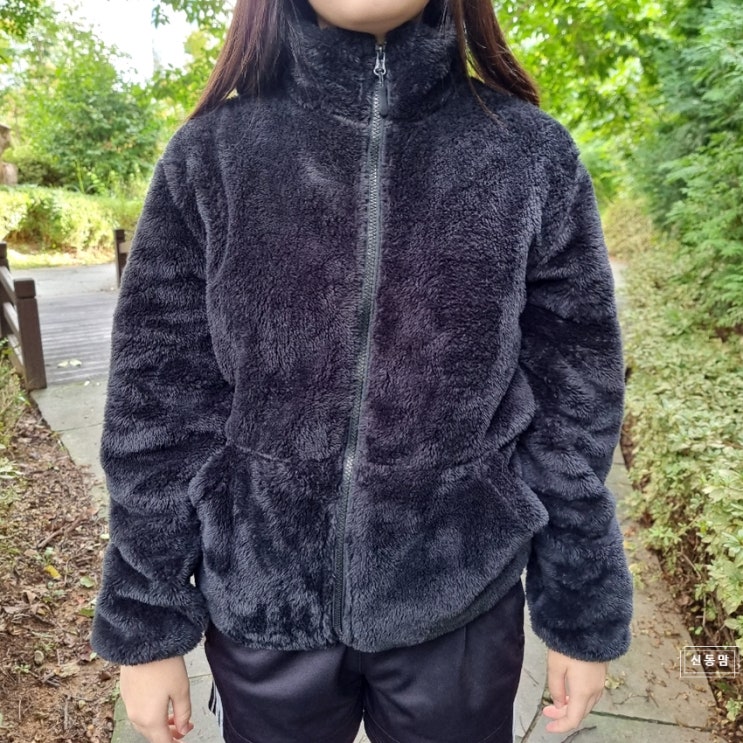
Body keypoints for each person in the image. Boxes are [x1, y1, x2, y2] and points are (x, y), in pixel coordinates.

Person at [89, 1, 634, 741]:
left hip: (459, 603)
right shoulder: (210, 155)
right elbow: (155, 405)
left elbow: (576, 401)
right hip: (262, 603)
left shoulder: (529, 154)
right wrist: (147, 623)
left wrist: (579, 608)